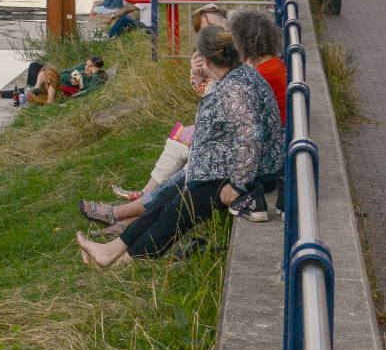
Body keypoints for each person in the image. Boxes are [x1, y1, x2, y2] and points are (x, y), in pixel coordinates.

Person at [77, 25, 284, 266]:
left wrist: (238, 185)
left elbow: (251, 136)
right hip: (230, 167)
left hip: (248, 173)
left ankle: (125, 261)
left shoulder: (235, 87)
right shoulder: (238, 76)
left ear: (206, 59)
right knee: (166, 201)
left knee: (176, 210)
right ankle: (113, 250)